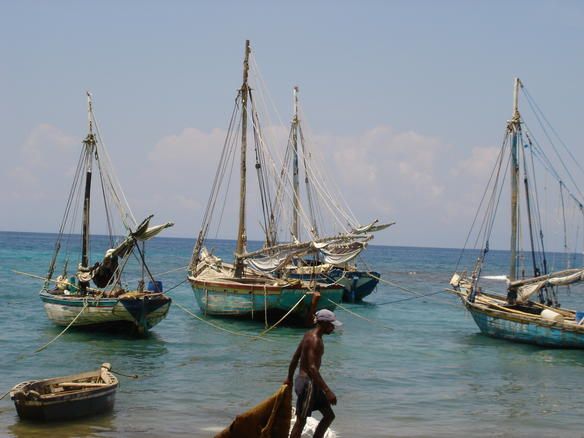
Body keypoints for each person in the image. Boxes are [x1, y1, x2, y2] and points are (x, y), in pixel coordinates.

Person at [284, 309, 342, 438]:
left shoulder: (308, 335)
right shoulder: (316, 341)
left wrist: (289, 378)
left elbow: (295, 357)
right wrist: (328, 391)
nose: (333, 328)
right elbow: (312, 368)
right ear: (323, 323)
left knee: (329, 416)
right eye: (331, 325)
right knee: (301, 421)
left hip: (310, 383)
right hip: (307, 384)